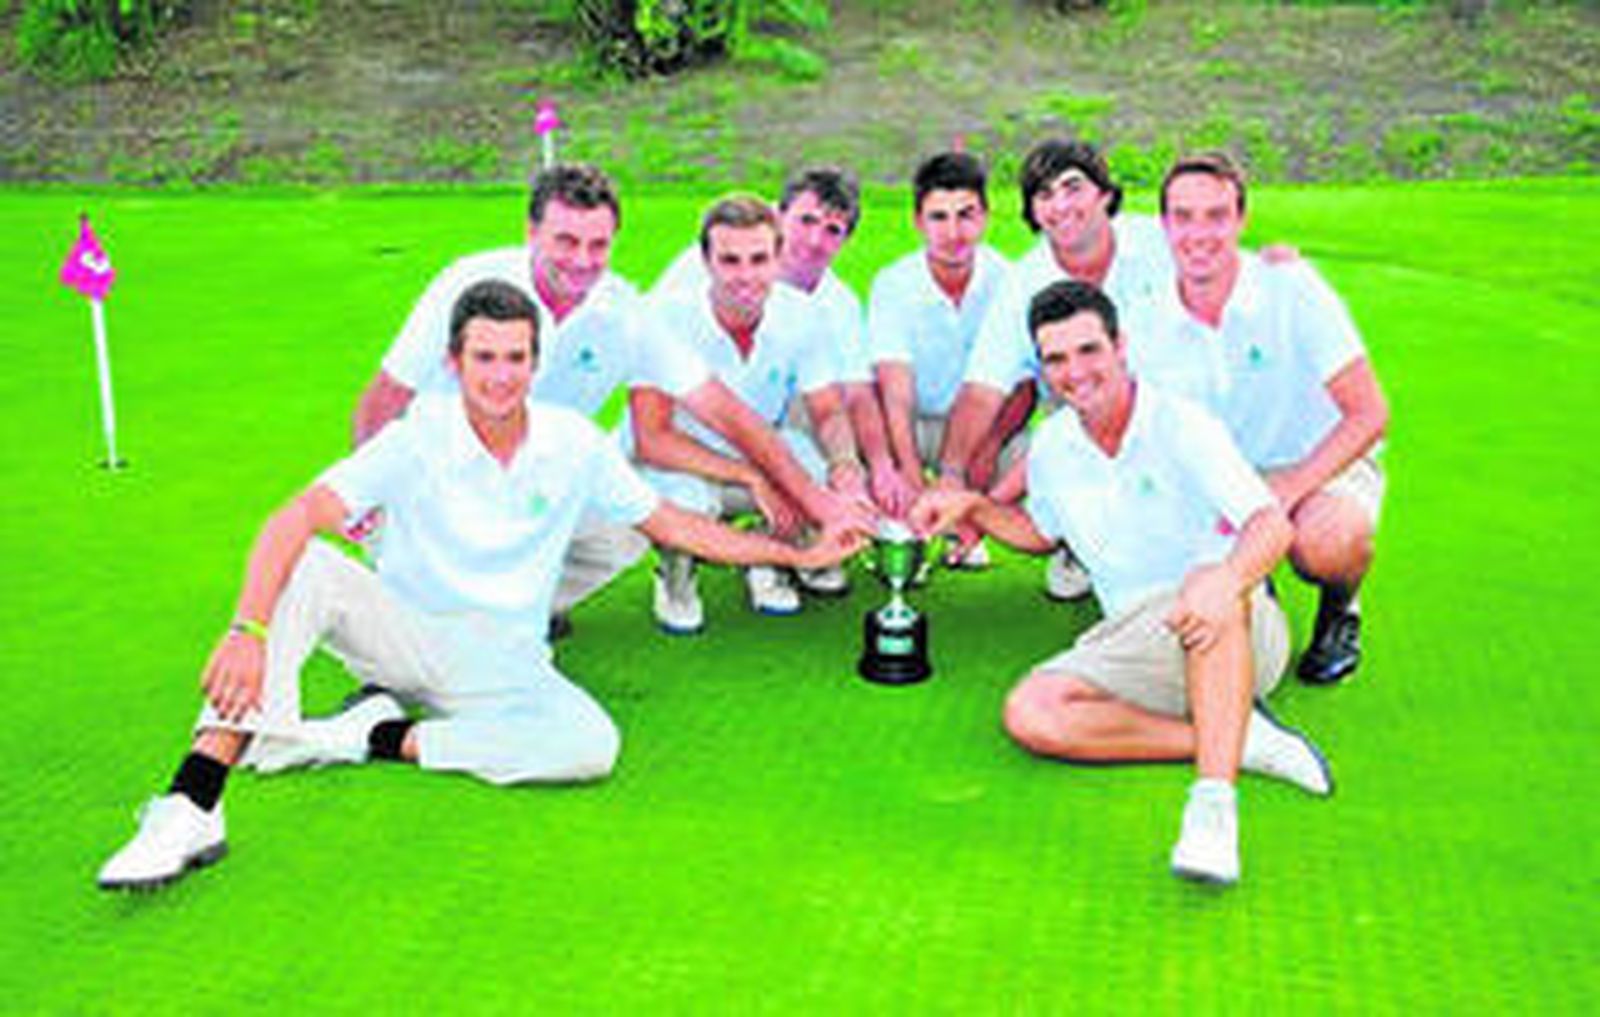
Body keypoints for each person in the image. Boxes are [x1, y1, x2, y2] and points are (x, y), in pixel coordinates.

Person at [98, 281, 862, 892]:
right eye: (485, 358)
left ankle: (370, 736)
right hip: (401, 628)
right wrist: (247, 630)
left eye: (516, 358)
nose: (501, 375)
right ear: (456, 362)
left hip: (505, 660)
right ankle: (192, 803)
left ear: (537, 362)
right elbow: (294, 514)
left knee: (590, 745)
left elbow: (672, 524)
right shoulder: (416, 435)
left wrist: (793, 555)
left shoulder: (574, 443)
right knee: (305, 563)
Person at [912, 280, 1333, 887]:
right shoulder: (1053, 444)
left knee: (1203, 586)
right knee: (1032, 714)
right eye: (1055, 359)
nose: (1075, 373)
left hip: (1233, 625)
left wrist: (1229, 578)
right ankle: (1237, 738)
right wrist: (973, 507)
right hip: (1136, 644)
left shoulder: (1183, 423)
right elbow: (1038, 532)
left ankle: (1213, 811)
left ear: (1121, 347)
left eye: (1089, 351)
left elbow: (1270, 524)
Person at [353, 163, 866, 634]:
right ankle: (424, 613)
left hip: (539, 470)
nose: (582, 261)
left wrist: (820, 502)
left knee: (625, 531)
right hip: (443, 470)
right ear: (532, 232)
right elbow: (384, 397)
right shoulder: (466, 283)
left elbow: (725, 412)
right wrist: (366, 489)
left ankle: (517, 606)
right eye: (566, 241)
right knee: (416, 606)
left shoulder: (626, 312)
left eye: (597, 245)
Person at [1138, 153, 1389, 684]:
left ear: (1241, 220)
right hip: (1224, 477)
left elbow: (1370, 414)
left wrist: (1289, 488)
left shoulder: (1292, 287)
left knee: (1329, 540)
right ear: (1164, 225)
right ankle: (1257, 573)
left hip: (1319, 462)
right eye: (1183, 217)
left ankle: (1342, 607)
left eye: (1216, 216)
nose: (1199, 233)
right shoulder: (1147, 317)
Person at [935, 139, 1175, 598]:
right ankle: (1080, 539)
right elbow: (982, 390)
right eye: (1044, 195)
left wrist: (1275, 266)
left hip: (1173, 417)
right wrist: (951, 479)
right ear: (1033, 212)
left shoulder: (1160, 243)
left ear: (1105, 195)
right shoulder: (1023, 283)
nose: (1060, 205)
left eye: (1073, 187)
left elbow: (1227, 268)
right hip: (1083, 422)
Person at [633, 195, 866, 633]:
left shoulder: (803, 315)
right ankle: (675, 577)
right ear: (705, 261)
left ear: (778, 258)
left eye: (759, 259)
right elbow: (652, 440)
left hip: (762, 445)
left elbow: (828, 411)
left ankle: (766, 558)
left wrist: (845, 466)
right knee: (685, 502)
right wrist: (751, 475)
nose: (745, 276)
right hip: (682, 456)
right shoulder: (663, 315)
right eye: (730, 260)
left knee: (817, 470)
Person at [653, 166, 911, 519]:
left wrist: (874, 467)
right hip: (695, 423)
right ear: (778, 215)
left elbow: (856, 396)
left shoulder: (838, 303)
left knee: (831, 415)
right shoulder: (694, 275)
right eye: (806, 221)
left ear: (845, 241)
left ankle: (795, 533)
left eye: (832, 230)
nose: (815, 240)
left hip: (776, 419)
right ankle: (692, 542)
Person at [865, 151, 1011, 563]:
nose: (953, 232)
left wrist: (970, 467)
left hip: (981, 427)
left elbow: (1020, 386)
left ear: (985, 217)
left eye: (966, 215)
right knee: (864, 448)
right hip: (913, 425)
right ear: (918, 222)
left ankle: (1069, 554)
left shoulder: (1007, 279)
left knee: (1034, 454)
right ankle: (878, 538)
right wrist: (911, 475)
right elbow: (895, 391)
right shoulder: (893, 284)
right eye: (938, 217)